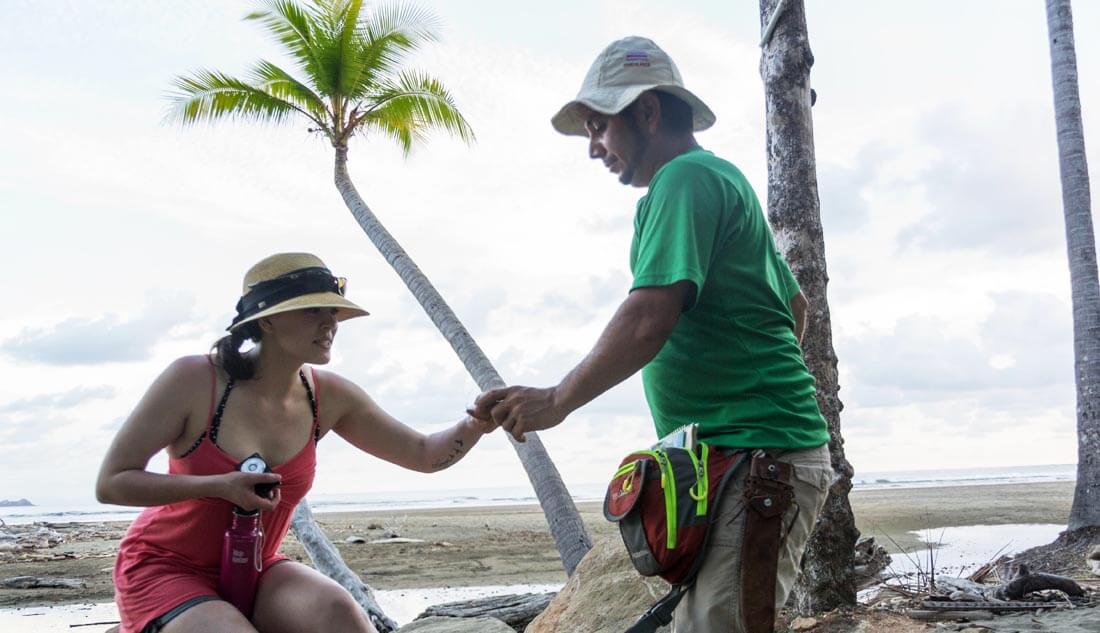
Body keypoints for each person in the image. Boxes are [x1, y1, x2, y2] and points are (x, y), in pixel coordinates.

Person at [470, 36, 833, 632]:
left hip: (758, 459)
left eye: (598, 127)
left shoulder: (686, 179)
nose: (593, 149)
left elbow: (648, 318)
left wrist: (557, 400)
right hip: (740, 456)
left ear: (647, 112)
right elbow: (793, 306)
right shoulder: (715, 181)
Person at [97, 252, 496, 633]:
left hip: (255, 566)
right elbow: (112, 482)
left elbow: (424, 454)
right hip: (165, 566)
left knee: (340, 612)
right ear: (266, 322)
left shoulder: (329, 396)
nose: (330, 324)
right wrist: (218, 486)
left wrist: (475, 423)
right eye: (312, 311)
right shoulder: (193, 380)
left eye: (333, 312)